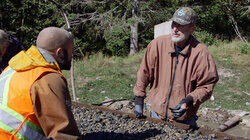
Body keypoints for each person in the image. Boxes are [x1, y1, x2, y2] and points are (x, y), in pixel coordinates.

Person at [133, 7, 219, 129]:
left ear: (192, 28)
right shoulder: (157, 45)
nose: (175, 29)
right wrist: (139, 100)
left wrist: (188, 101)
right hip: (156, 114)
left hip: (184, 120)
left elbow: (206, 86)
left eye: (181, 25)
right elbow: (144, 73)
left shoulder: (200, 53)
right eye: (174, 24)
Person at [0, 27, 80, 139]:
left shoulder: (13, 67)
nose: (72, 56)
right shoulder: (47, 78)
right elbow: (62, 133)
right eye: (71, 51)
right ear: (60, 52)